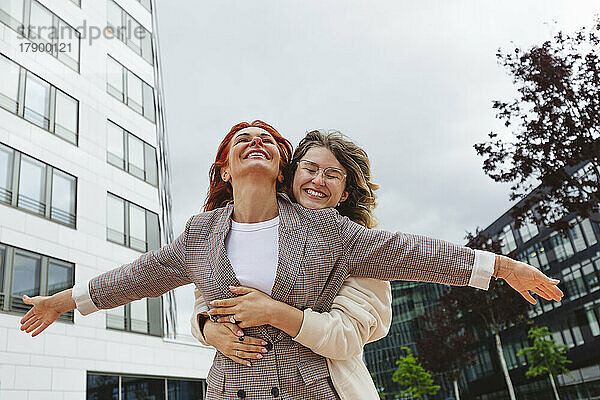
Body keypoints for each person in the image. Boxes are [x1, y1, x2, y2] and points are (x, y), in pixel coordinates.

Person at [20, 120, 562, 400]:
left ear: (281, 168)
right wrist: (66, 299)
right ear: (225, 168)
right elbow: (140, 276)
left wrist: (499, 267)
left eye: (265, 140)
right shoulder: (200, 234)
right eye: (242, 140)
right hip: (234, 388)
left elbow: (406, 251)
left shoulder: (327, 229)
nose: (254, 141)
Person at [190, 130, 392, 400]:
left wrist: (273, 312)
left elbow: (346, 336)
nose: (317, 181)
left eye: (332, 175)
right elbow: (203, 300)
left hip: (325, 387)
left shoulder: (357, 246)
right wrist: (207, 328)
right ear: (294, 173)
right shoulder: (237, 230)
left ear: (345, 193)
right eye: (310, 168)